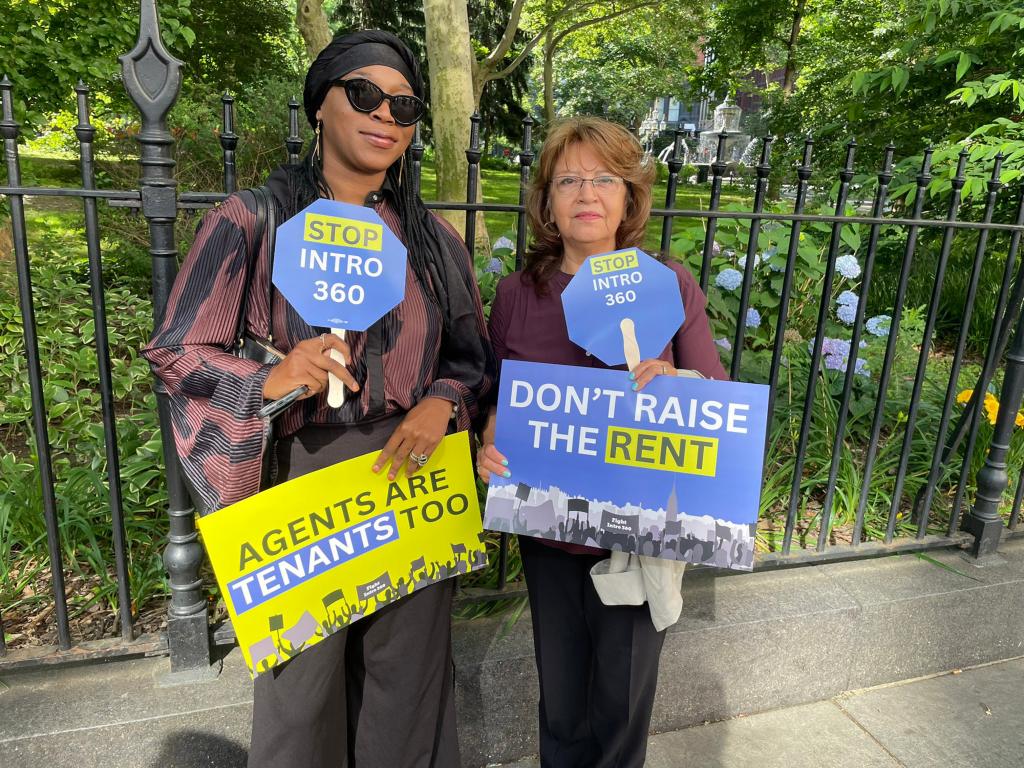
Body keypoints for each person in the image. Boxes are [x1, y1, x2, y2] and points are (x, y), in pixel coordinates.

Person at [142, 30, 494, 768]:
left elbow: (470, 358)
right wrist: (267, 377)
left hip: (413, 468)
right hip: (301, 468)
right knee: (300, 698)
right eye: (364, 94)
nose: (386, 116)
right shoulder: (252, 220)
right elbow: (178, 351)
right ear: (321, 105)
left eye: (405, 105)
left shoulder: (431, 240)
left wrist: (441, 403)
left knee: (409, 686)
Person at [475, 117, 726, 768]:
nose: (587, 192)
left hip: (634, 541)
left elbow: (717, 405)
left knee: (620, 714)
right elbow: (494, 398)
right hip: (549, 537)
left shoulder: (668, 284)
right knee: (562, 711)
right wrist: (488, 435)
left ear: (629, 196)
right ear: (549, 204)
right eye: (569, 180)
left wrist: (679, 384)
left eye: (604, 178)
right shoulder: (516, 295)